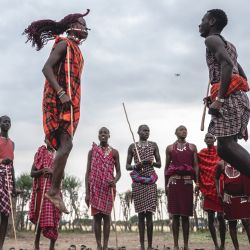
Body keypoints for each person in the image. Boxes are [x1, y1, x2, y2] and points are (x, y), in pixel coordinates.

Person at [23, 9, 90, 212]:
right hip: (57, 101)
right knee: (66, 145)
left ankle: (55, 189)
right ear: (72, 26)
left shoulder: (76, 50)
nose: (85, 28)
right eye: (81, 24)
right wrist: (61, 92)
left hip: (70, 102)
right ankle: (53, 190)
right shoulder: (64, 44)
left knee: (66, 146)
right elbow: (46, 68)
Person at [199, 9, 250, 177]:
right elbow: (242, 76)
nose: (199, 24)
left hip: (229, 98)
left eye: (203, 20)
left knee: (226, 146)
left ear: (212, 21)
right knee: (224, 149)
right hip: (238, 98)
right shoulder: (231, 47)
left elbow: (227, 65)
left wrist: (220, 98)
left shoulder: (211, 40)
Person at [85, 127, 121, 250]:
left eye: (105, 133)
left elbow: (119, 173)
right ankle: (99, 245)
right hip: (95, 188)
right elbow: (87, 173)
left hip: (108, 188)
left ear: (109, 135)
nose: (103, 134)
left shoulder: (114, 152)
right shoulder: (92, 152)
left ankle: (105, 245)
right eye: (100, 133)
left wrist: (114, 181)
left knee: (106, 216)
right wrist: (87, 192)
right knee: (96, 217)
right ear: (98, 136)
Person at [126, 124, 161, 250]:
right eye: (144, 130)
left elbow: (159, 164)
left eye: (148, 131)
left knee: (150, 214)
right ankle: (142, 245)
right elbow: (127, 166)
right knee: (141, 215)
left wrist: (150, 162)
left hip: (150, 181)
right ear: (138, 132)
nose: (147, 133)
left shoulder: (153, 145)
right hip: (138, 182)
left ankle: (150, 246)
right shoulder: (132, 146)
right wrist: (136, 166)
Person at [165, 125, 198, 250]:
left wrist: (197, 182)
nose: (184, 131)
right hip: (174, 183)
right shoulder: (170, 148)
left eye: (185, 129)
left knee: (185, 215)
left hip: (188, 183)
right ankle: (175, 245)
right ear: (175, 132)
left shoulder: (192, 147)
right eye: (181, 129)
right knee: (175, 215)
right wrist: (166, 185)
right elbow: (166, 168)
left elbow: (195, 166)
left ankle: (185, 245)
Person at [29, 139, 61, 250]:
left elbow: (62, 175)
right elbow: (32, 173)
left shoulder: (59, 155)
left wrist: (53, 172)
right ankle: (36, 246)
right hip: (41, 190)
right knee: (39, 218)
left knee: (55, 218)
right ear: (45, 140)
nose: (51, 141)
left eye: (53, 138)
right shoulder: (39, 153)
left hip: (54, 190)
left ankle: (52, 247)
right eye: (48, 138)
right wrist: (42, 171)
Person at [197, 133, 225, 250]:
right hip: (207, 187)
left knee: (221, 216)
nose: (209, 139)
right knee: (210, 217)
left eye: (211, 138)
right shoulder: (201, 153)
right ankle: (216, 245)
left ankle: (223, 244)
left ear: (215, 139)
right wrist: (198, 183)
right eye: (207, 138)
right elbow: (197, 167)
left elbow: (224, 166)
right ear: (204, 140)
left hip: (219, 187)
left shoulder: (220, 151)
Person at [216, 162, 250, 250]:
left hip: (243, 196)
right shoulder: (221, 164)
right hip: (229, 197)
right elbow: (216, 178)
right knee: (232, 223)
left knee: (246, 222)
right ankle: (236, 248)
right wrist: (218, 191)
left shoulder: (241, 160)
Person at [0, 115, 15, 249]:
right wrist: (1, 161)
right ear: (0, 124)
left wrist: (14, 188)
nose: (7, 123)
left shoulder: (12, 143)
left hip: (8, 178)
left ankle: (1, 245)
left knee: (5, 214)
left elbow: (12, 166)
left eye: (9, 121)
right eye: (4, 121)